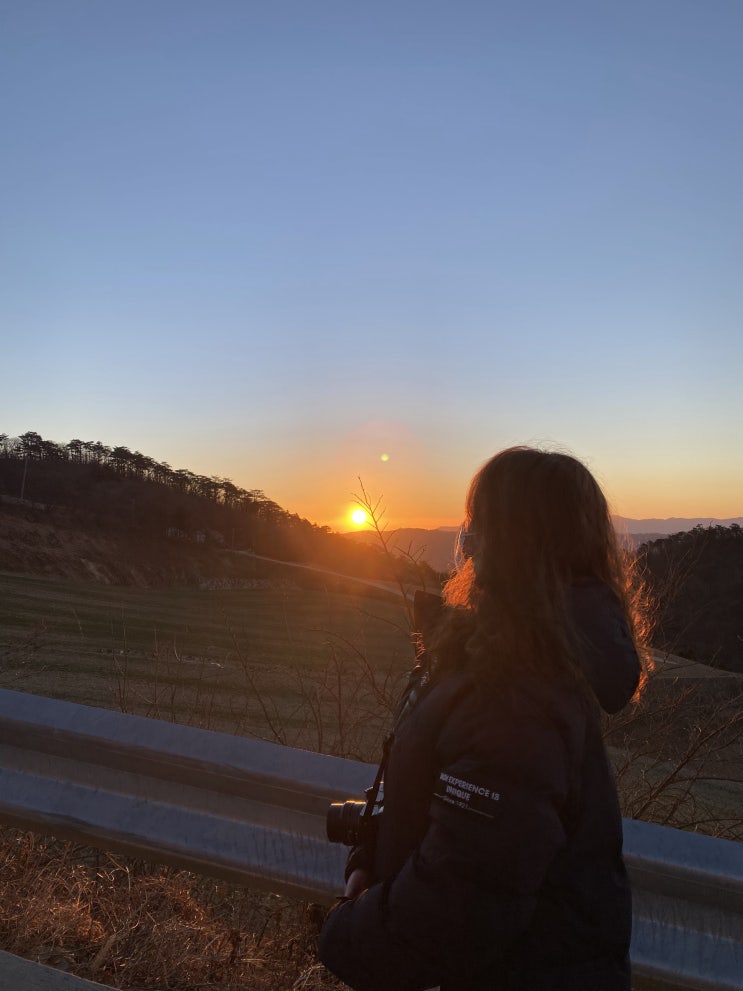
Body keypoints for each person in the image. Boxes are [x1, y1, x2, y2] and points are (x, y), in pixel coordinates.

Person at [318, 446, 648, 991]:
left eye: (475, 526)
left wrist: (343, 932)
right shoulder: (521, 663)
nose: (465, 544)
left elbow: (459, 907)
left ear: (510, 547)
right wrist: (375, 853)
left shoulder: (517, 696)